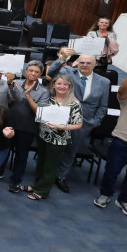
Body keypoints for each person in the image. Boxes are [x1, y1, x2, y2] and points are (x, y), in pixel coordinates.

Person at [47, 49, 110, 194]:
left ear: (95, 64)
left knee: (71, 151)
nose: (85, 65)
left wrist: (95, 122)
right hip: (61, 118)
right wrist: (62, 58)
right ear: (77, 63)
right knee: (54, 148)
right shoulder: (69, 72)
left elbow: (103, 106)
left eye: (89, 63)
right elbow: (51, 74)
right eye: (82, 62)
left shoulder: (104, 82)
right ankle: (47, 174)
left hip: (85, 123)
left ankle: (61, 177)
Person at [22, 74, 83, 201]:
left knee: (50, 166)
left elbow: (78, 124)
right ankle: (36, 185)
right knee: (41, 163)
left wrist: (62, 127)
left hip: (58, 140)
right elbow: (38, 111)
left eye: (65, 84)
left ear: (70, 86)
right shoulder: (48, 98)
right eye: (59, 83)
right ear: (54, 84)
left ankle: (42, 191)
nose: (61, 86)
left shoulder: (74, 102)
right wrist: (28, 95)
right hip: (43, 135)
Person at [7, 61, 50, 193]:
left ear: (40, 74)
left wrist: (28, 95)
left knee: (21, 154)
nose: (33, 73)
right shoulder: (15, 83)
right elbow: (9, 100)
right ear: (26, 71)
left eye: (36, 72)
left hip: (27, 127)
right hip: (10, 123)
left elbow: (38, 111)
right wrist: (10, 86)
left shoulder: (44, 91)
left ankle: (16, 179)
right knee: (2, 149)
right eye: (30, 70)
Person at [94, 71, 127, 216]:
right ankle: (105, 194)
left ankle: (124, 200)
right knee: (112, 171)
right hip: (121, 142)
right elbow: (123, 89)